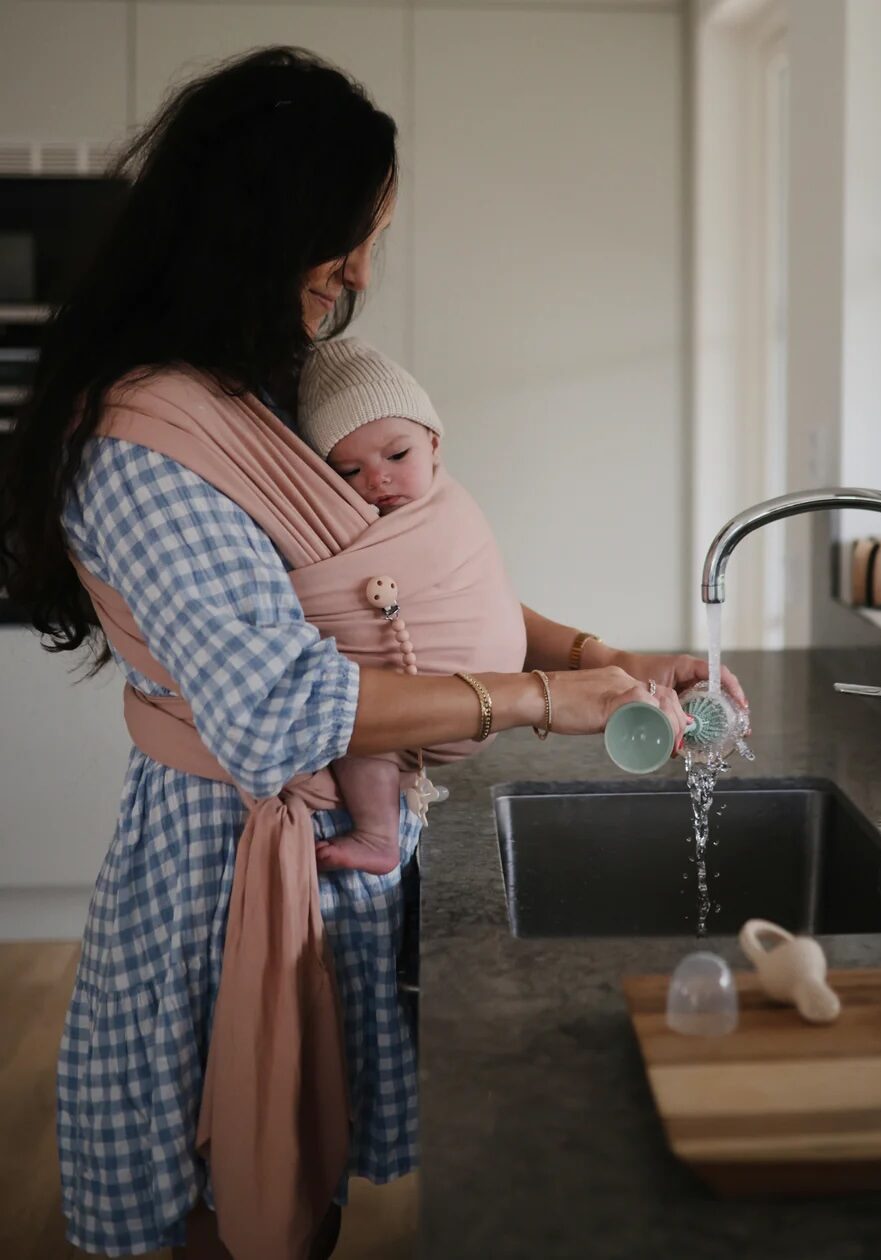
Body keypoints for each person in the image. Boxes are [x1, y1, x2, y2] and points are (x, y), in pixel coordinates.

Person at [0, 46, 745, 1260]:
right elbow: (279, 708)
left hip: (332, 855)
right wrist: (544, 698)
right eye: (341, 240)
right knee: (225, 1188)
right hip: (225, 870)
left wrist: (619, 658)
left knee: (305, 1188)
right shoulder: (143, 440)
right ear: (251, 229)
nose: (354, 273)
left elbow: (424, 590)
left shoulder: (264, 389)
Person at [296, 334, 523, 877]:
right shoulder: (341, 526)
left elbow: (479, 587)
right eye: (348, 472)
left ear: (435, 445)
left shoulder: (453, 511)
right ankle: (378, 834)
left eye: (397, 455)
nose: (376, 478)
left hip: (486, 696)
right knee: (358, 728)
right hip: (399, 703)